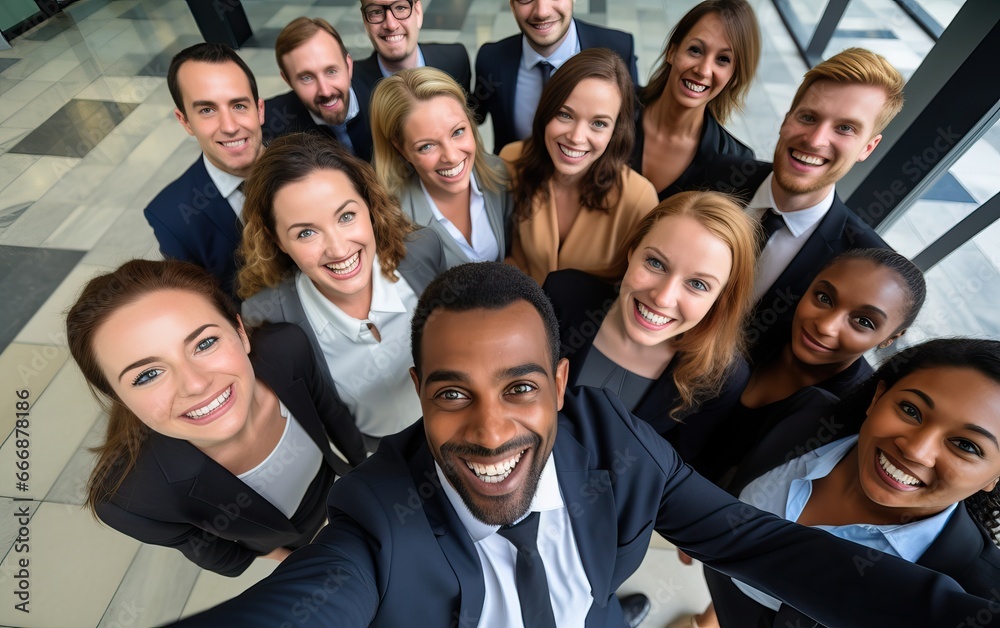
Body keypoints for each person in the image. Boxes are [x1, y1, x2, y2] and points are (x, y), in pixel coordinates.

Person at [176, 262, 999, 627]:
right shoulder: (376, 509)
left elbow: (751, 540)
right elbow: (306, 608)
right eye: (451, 393)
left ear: (564, 389)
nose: (491, 431)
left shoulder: (614, 441)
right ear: (420, 395)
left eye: (521, 389)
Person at [64, 259, 365, 577]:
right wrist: (288, 558)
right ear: (118, 397)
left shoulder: (288, 348)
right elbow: (214, 552)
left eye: (205, 343)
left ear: (240, 333)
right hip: (294, 540)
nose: (195, 384)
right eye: (148, 374)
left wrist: (365, 473)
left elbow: (332, 414)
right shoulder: (129, 500)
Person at [703, 337, 1000, 627]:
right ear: (877, 398)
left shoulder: (974, 592)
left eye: (966, 446)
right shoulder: (808, 414)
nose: (915, 451)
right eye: (910, 410)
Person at [238, 133, 447, 452]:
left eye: (346, 216)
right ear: (277, 239)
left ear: (369, 204)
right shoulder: (266, 318)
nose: (338, 249)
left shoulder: (424, 252)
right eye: (306, 232)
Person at [696, 47, 903, 361]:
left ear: (868, 148)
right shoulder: (717, 172)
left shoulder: (864, 262)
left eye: (845, 128)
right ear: (787, 118)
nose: (816, 140)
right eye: (808, 117)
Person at [543, 191, 755, 461]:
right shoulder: (562, 294)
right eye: (656, 263)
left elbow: (673, 481)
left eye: (698, 284)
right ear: (632, 251)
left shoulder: (722, 379)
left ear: (721, 300)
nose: (663, 298)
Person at [692, 247, 926, 482]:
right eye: (824, 298)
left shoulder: (851, 417)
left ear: (891, 338)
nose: (826, 326)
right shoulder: (753, 321)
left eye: (863, 322)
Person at [501, 48, 658, 284]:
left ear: (616, 131)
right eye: (565, 115)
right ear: (546, 111)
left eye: (598, 123)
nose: (576, 137)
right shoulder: (512, 160)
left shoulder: (638, 199)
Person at [144, 43, 264, 300]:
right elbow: (208, 307)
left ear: (260, 110)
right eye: (207, 110)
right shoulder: (172, 218)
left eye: (239, 105)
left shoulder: (310, 159)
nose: (230, 126)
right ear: (185, 121)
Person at [370, 67, 513, 267]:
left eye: (458, 132)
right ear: (401, 149)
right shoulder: (392, 219)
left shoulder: (498, 172)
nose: (452, 157)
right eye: (426, 146)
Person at [633, 0, 760, 201]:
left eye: (723, 59)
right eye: (695, 50)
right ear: (672, 52)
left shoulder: (736, 163)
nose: (703, 70)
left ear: (734, 77)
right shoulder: (616, 104)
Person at [473, 0, 638, 152]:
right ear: (512, 4)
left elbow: (631, 122)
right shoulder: (492, 58)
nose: (542, 12)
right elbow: (472, 115)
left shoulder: (619, 49)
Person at [263, 17, 373, 161]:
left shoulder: (381, 89)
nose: (325, 91)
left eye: (331, 71)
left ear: (348, 66)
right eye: (307, 78)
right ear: (287, 80)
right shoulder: (270, 126)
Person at [353, 0, 471, 111]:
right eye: (376, 12)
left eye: (400, 8)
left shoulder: (456, 61)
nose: (391, 25)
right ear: (365, 20)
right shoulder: (351, 85)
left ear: (418, 12)